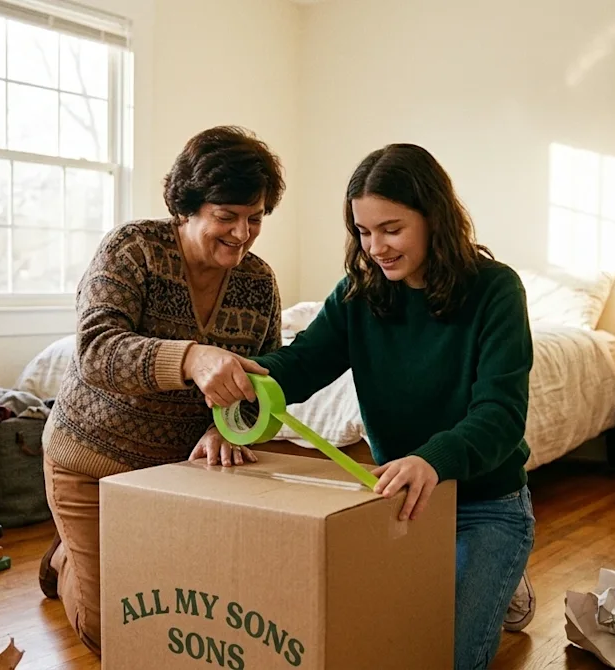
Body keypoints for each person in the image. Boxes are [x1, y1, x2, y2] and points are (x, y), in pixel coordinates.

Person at [191, 143, 537, 669]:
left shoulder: (495, 290)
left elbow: (501, 414)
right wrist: (241, 399)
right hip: (394, 500)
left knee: (443, 658)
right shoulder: (360, 292)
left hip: (484, 506)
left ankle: (498, 575)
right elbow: (301, 362)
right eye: (362, 231)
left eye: (391, 229)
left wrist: (431, 459)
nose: (375, 246)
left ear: (433, 217)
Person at [36, 126, 287, 657]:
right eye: (227, 216)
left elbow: (259, 377)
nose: (243, 233)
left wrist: (222, 428)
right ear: (187, 207)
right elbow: (97, 348)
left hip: (181, 480)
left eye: (255, 218)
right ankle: (64, 561)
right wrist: (190, 358)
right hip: (93, 464)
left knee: (186, 623)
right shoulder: (133, 250)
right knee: (117, 635)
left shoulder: (258, 282)